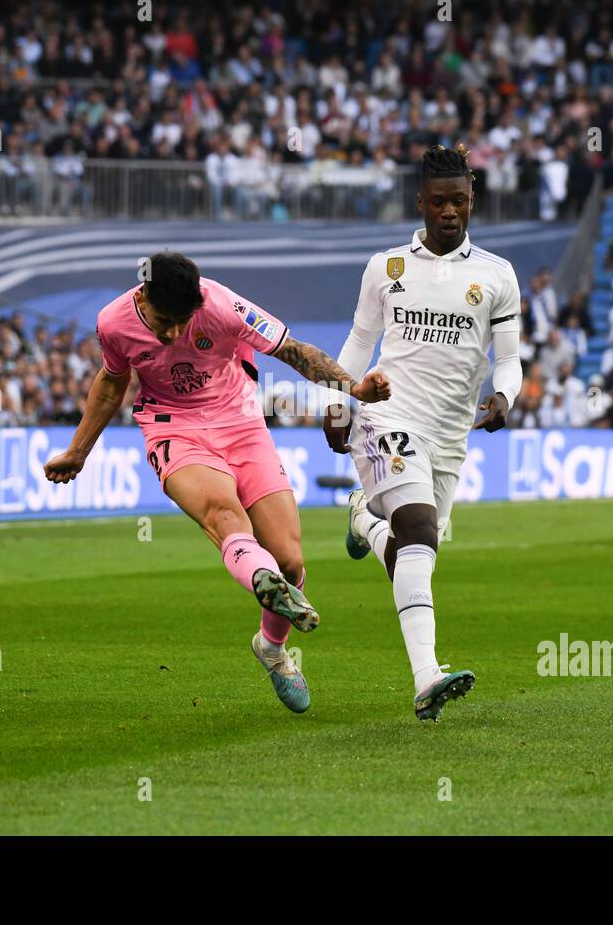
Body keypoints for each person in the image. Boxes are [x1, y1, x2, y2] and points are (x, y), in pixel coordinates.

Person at [43, 252, 390, 714]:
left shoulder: (222, 305)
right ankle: (259, 577)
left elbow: (293, 352)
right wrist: (78, 451)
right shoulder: (114, 322)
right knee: (224, 515)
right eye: (164, 322)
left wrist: (353, 388)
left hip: (242, 423)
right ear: (142, 296)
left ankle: (270, 646)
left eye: (182, 321)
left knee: (290, 561)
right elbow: (111, 384)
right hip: (173, 428)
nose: (172, 333)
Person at [323, 144, 523, 721]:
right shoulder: (386, 268)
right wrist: (340, 399)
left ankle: (363, 515)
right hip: (387, 417)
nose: (450, 212)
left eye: (459, 201)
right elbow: (360, 343)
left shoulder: (496, 276)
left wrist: (504, 397)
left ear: (472, 200)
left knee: (413, 549)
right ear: (421, 203)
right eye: (439, 202)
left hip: (450, 434)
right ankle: (426, 678)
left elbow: (508, 359)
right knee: (417, 529)